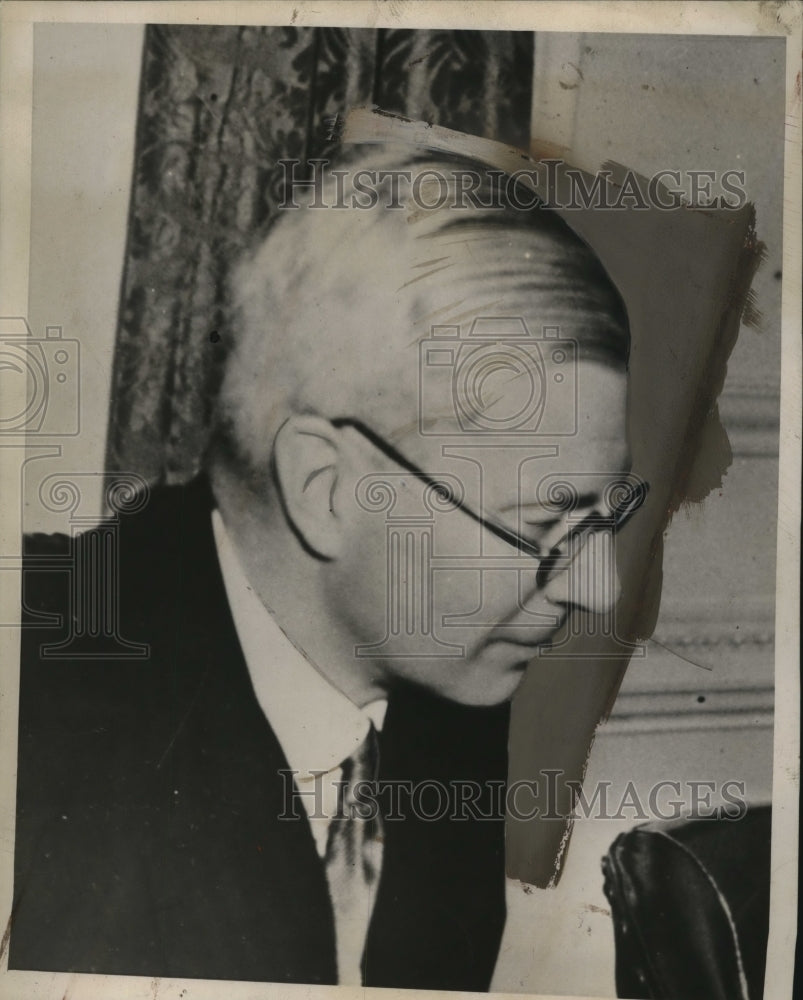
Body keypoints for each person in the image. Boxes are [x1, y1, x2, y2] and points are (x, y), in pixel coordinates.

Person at [11, 149, 633, 991]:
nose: (597, 588)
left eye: (604, 517)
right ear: (325, 488)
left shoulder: (448, 696)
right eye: (541, 524)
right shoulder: (34, 705)